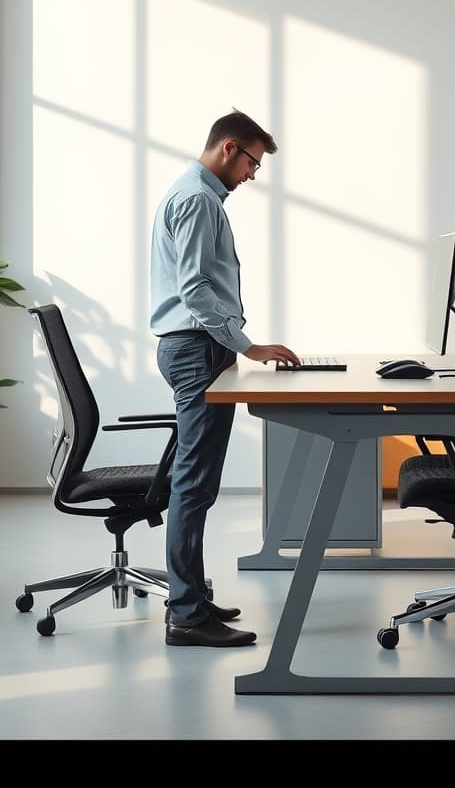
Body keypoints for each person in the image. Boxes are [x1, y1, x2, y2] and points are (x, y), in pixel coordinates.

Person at [150, 109, 301, 647]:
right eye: (253, 163)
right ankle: (186, 615)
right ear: (229, 148)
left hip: (200, 348)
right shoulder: (195, 200)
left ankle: (192, 597)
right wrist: (248, 345)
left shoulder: (201, 196)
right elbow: (194, 290)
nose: (253, 175)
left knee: (200, 481)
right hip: (196, 350)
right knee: (193, 483)